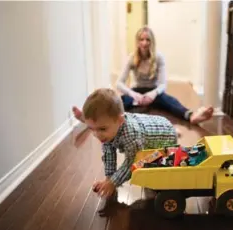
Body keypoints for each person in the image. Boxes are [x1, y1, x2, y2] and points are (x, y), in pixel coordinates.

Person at [72, 26, 214, 125]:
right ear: (137, 41)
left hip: (154, 93)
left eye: (148, 40)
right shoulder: (132, 57)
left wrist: (152, 95)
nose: (144, 43)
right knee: (117, 102)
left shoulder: (159, 57)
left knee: (170, 101)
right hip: (137, 92)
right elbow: (119, 83)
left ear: (152, 42)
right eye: (141, 39)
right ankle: (90, 117)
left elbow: (163, 84)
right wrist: (134, 95)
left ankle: (192, 116)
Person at [82, 88, 177, 215]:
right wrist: (108, 179)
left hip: (166, 140)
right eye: (92, 129)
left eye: (102, 129)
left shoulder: (131, 134)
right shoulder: (109, 132)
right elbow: (109, 154)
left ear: (120, 120)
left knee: (148, 168)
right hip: (148, 138)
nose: (97, 134)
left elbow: (132, 163)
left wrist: (114, 182)